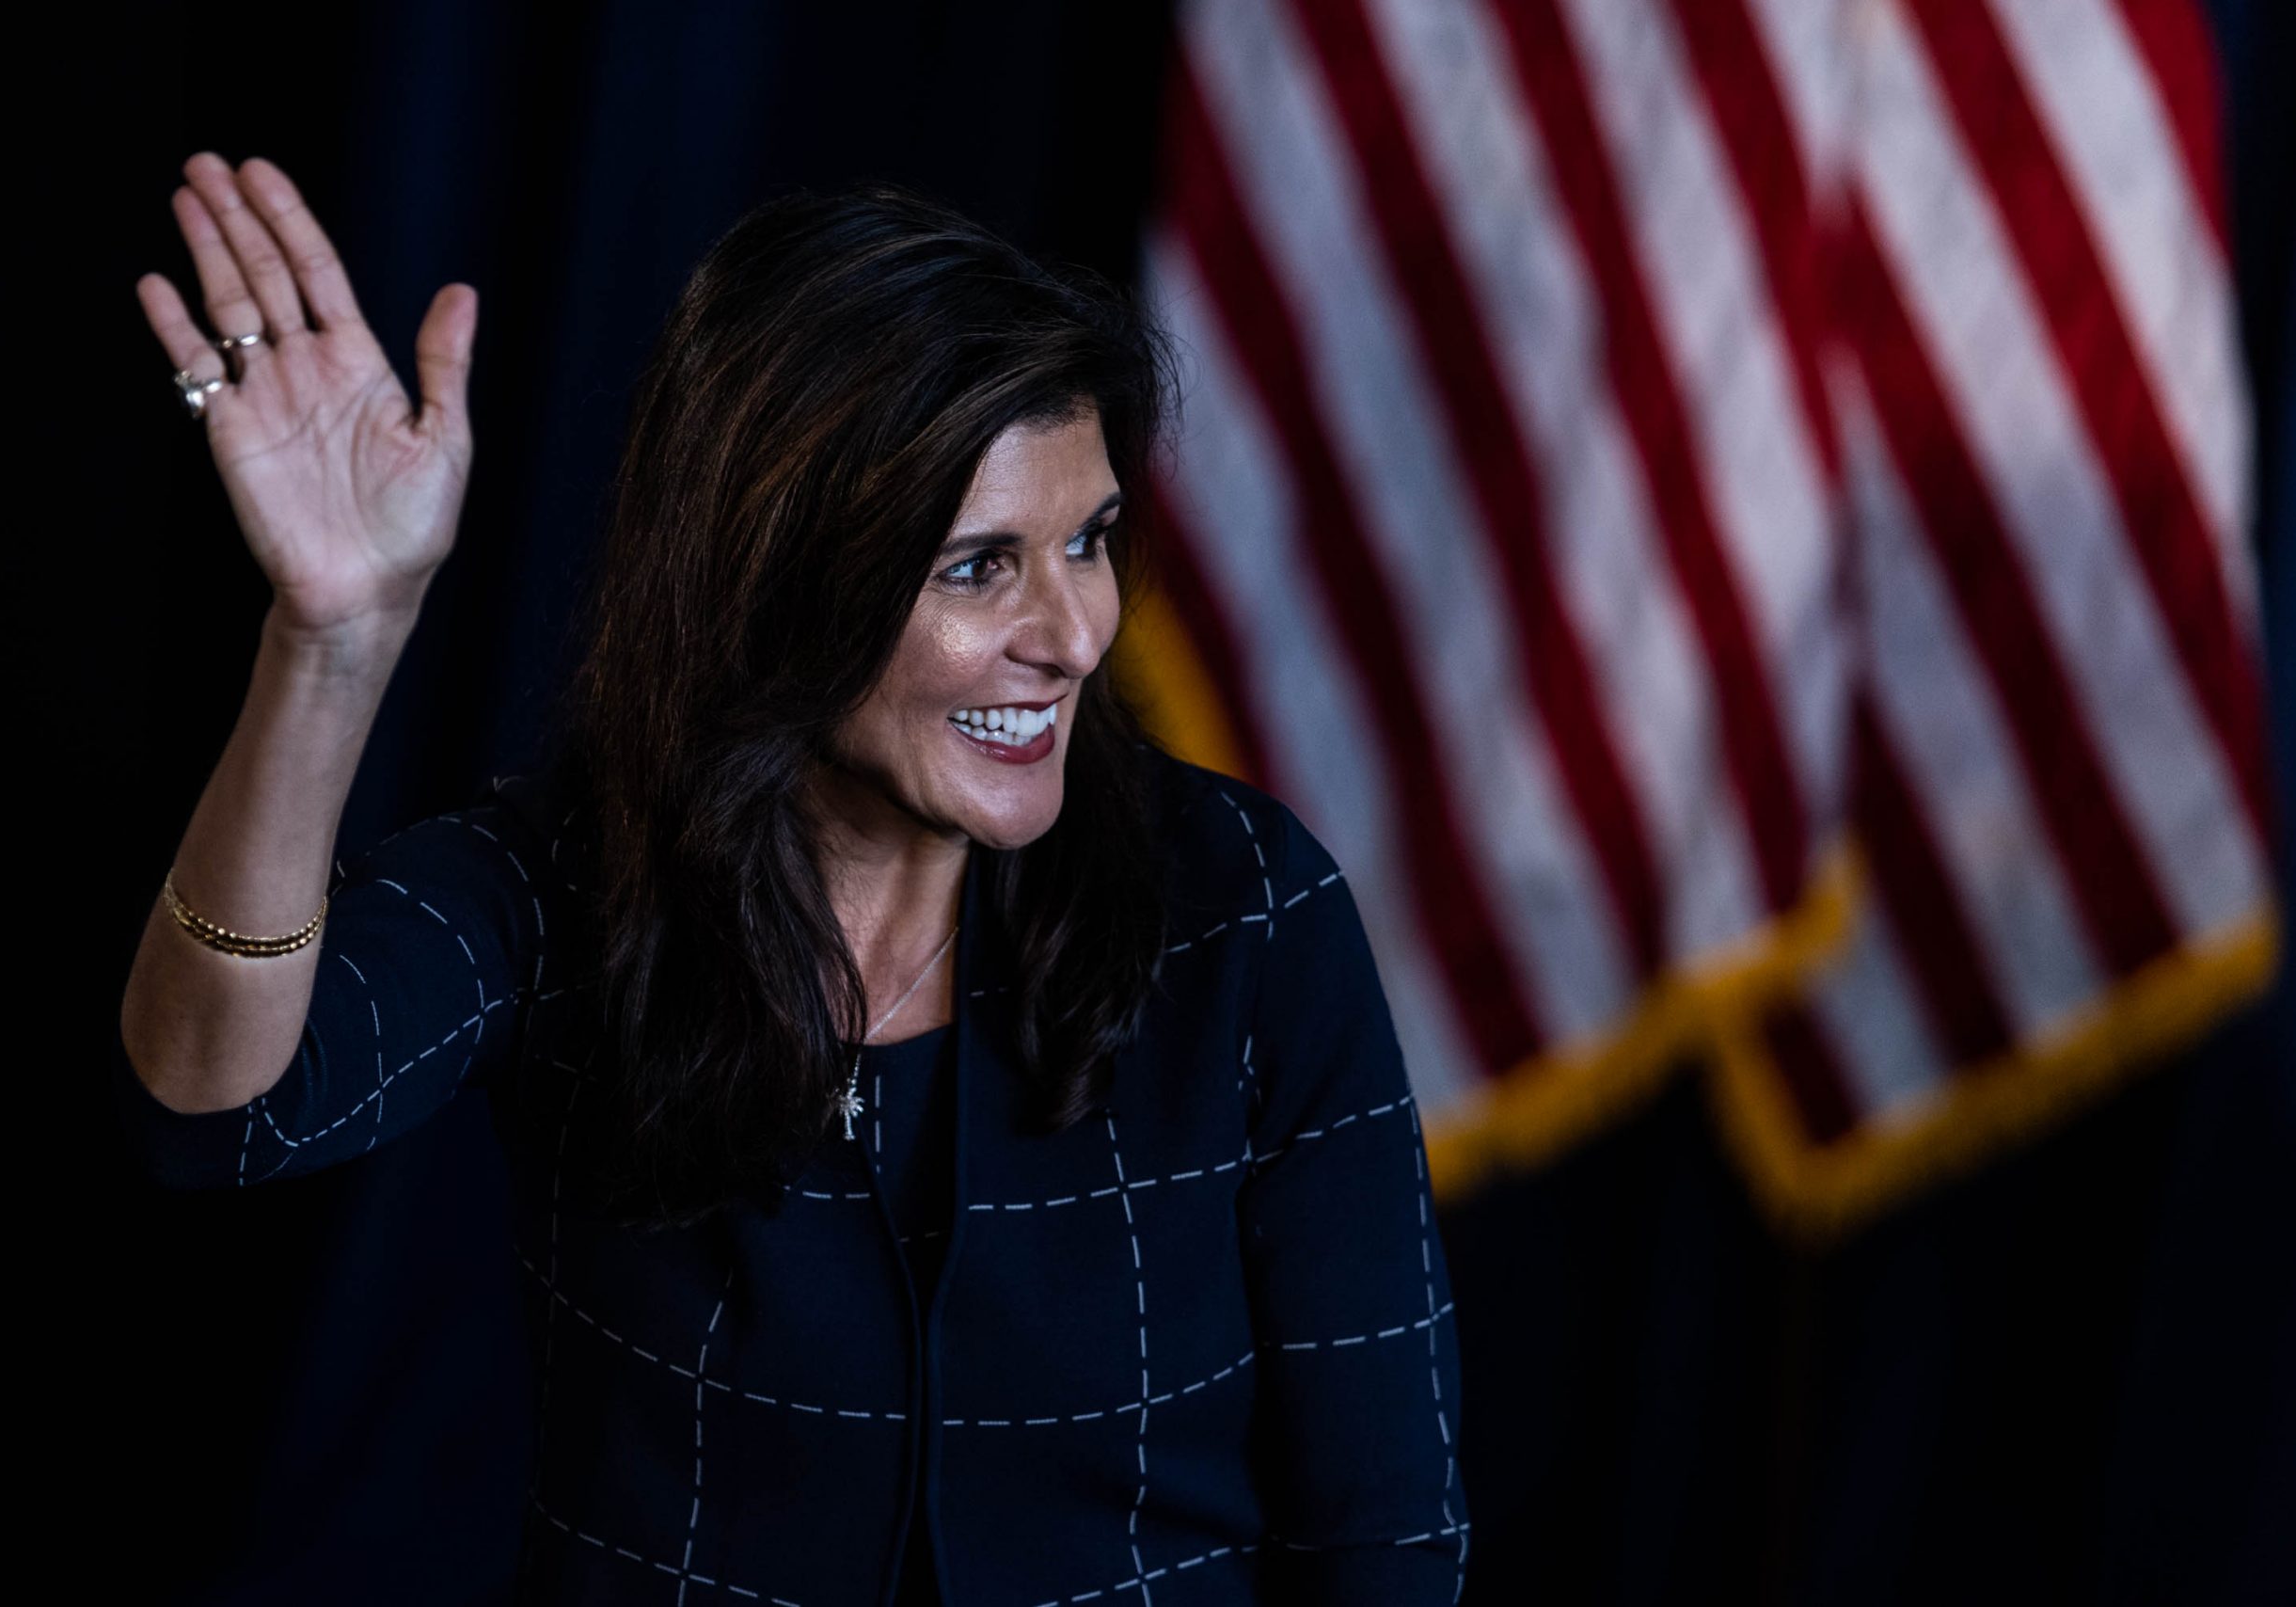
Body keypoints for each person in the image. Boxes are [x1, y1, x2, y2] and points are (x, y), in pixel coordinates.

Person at [118, 151, 1469, 1605]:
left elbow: (1386, 1540)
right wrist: (332, 644)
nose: (1074, 632)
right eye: (977, 569)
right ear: (776, 576)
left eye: (1087, 541)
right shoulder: (572, 884)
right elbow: (220, 1104)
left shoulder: (1247, 910)